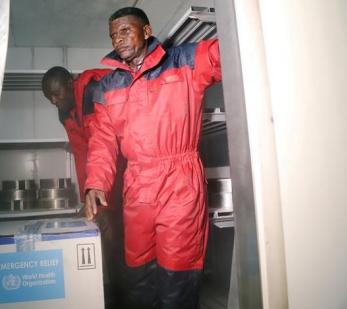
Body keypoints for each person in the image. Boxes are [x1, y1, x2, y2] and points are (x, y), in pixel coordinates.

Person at [84, 7, 221, 309]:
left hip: (179, 184)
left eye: (124, 31)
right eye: (112, 35)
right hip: (137, 187)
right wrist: (95, 183)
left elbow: (232, 52)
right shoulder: (108, 87)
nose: (117, 40)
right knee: (138, 275)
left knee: (177, 274)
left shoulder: (184, 61)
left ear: (146, 31)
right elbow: (103, 141)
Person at [41, 66, 126, 308]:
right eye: (50, 98)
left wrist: (103, 198)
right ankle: (117, 297)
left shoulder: (92, 92)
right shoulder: (64, 111)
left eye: (57, 94)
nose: (55, 101)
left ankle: (129, 297)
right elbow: (82, 152)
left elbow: (107, 147)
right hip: (103, 178)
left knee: (122, 239)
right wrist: (87, 198)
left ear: (71, 82)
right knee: (108, 238)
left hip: (122, 172)